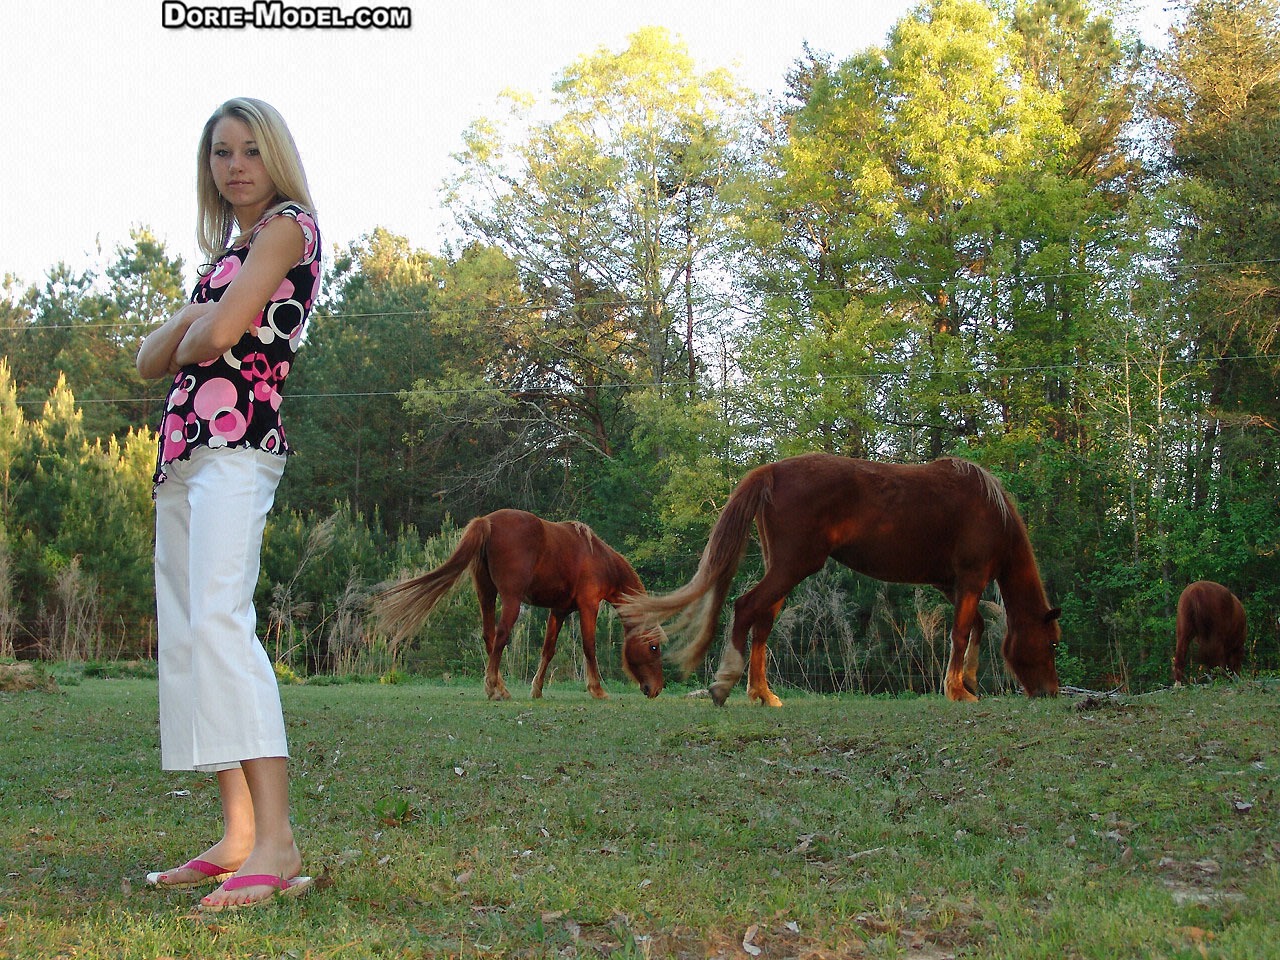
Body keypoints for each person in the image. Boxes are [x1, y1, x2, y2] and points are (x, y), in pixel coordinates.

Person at [137, 97, 320, 912]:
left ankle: (277, 842)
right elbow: (148, 360)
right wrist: (198, 317)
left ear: (273, 154)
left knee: (219, 621)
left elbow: (215, 340)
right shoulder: (230, 254)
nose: (235, 165)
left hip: (239, 442)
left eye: (249, 149)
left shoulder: (288, 228)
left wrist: (196, 324)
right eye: (221, 153)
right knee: (189, 633)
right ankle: (238, 835)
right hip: (183, 452)